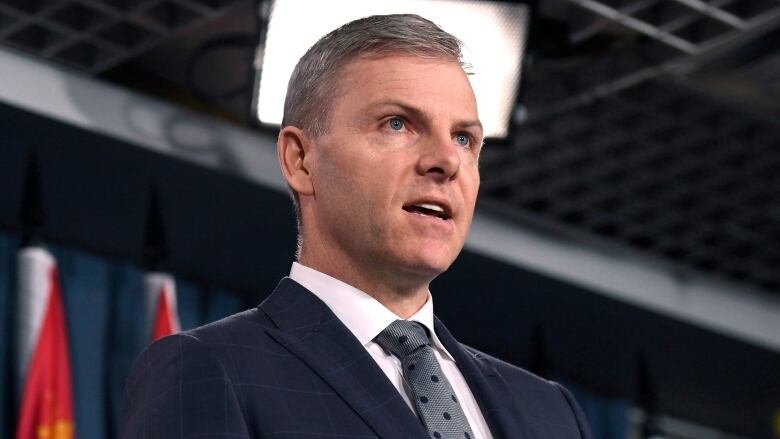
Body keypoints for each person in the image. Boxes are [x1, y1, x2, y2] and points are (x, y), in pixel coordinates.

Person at [120, 14, 592, 439]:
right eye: (397, 124)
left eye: (464, 138)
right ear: (300, 160)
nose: (446, 161)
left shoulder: (550, 412)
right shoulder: (209, 368)